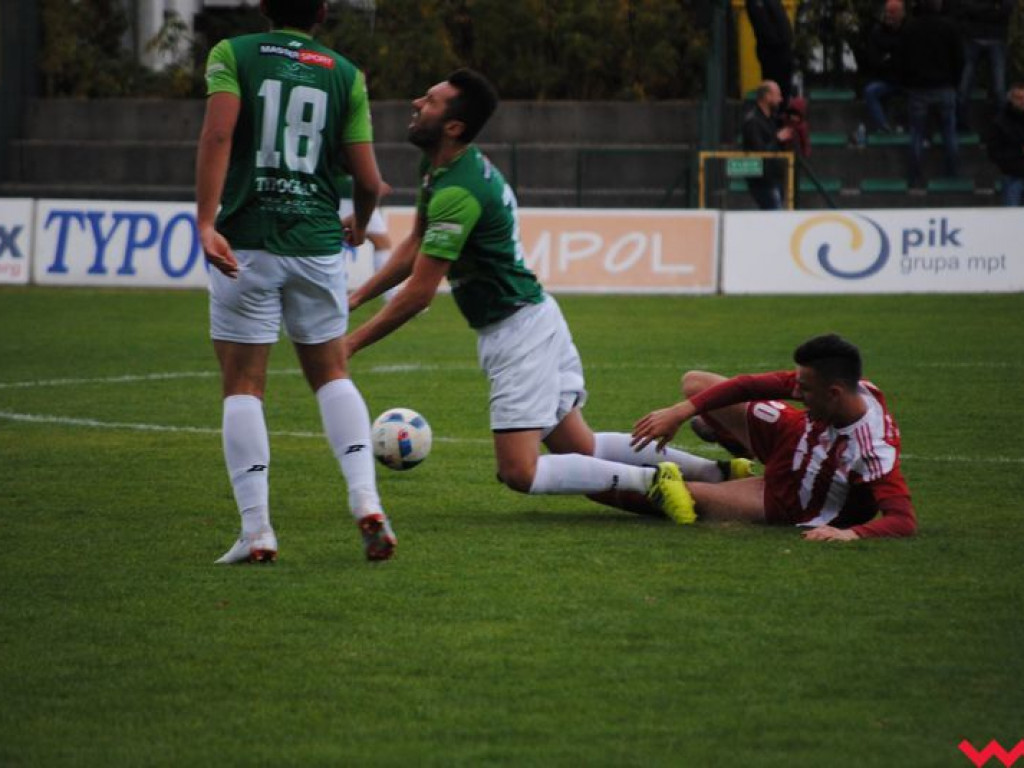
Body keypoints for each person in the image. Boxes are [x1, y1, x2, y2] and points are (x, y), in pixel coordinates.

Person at [345, 68, 744, 524]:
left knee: (519, 470)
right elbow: (414, 244)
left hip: (517, 331)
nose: (417, 103)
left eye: (430, 101)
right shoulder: (441, 169)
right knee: (582, 447)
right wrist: (358, 297)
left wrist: (350, 344)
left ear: (453, 126)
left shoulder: (460, 189)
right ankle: (719, 473)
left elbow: (419, 294)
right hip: (533, 316)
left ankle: (652, 483)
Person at [195, 0, 396, 563]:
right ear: (324, 11)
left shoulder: (232, 54)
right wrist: (357, 217)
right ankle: (365, 502)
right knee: (332, 375)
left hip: (248, 241)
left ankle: (257, 530)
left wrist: (206, 222)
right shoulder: (346, 74)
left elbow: (217, 138)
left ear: (262, 5)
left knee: (243, 385)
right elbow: (372, 182)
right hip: (315, 244)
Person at [631, 334, 917, 541]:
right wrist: (679, 412)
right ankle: (734, 440)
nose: (795, 392)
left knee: (670, 491)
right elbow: (747, 386)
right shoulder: (852, 389)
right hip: (789, 434)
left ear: (834, 394)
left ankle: (595, 477)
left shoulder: (872, 450)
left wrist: (850, 534)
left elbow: (902, 520)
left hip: (791, 495)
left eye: (803, 389)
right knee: (696, 383)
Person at [901, 0, 963, 188]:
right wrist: (954, 82)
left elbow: (903, 57)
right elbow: (959, 59)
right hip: (944, 87)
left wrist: (909, 82)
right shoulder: (950, 27)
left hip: (919, 88)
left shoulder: (911, 28)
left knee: (917, 134)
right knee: (949, 133)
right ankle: (952, 175)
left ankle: (914, 177)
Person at [952, 0, 1013, 132]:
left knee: (999, 89)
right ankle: (960, 123)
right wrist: (992, 7)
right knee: (963, 86)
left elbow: (1006, 9)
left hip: (995, 38)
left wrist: (977, 10)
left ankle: (1002, 128)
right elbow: (962, 7)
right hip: (972, 37)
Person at [339, 176, 397, 302]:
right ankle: (392, 298)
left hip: (349, 193)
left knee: (381, 243)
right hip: (352, 193)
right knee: (338, 242)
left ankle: (392, 297)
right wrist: (372, 182)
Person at [741, 80, 794, 210]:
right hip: (762, 180)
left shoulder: (771, 119)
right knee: (774, 213)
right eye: (777, 95)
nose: (780, 99)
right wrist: (777, 138)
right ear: (767, 96)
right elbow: (760, 152)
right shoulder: (753, 121)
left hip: (775, 177)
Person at [862, 0, 907, 135]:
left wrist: (889, 57)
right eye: (887, 13)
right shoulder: (877, 32)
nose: (889, 17)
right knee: (870, 91)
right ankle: (883, 126)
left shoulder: (908, 31)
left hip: (906, 79)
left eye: (893, 14)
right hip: (886, 79)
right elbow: (875, 60)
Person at [745, 0, 794, 106]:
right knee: (773, 90)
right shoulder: (755, 2)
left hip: (782, 50)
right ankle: (774, 116)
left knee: (783, 90)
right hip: (773, 52)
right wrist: (779, 43)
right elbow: (763, 26)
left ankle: (780, 113)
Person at [986, 83, 1024, 206]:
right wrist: (1019, 152)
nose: (1022, 102)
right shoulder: (1000, 122)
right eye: (1018, 98)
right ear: (1011, 99)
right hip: (1013, 175)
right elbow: (994, 152)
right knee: (1010, 217)